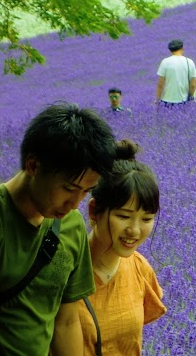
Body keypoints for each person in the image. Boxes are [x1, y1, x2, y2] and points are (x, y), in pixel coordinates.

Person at [0, 103, 118, 356]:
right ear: (33, 166)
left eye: (86, 192)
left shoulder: (72, 226)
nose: (75, 204)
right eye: (68, 188)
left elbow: (66, 321)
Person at [77, 141, 166, 356]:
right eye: (124, 216)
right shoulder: (65, 270)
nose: (134, 231)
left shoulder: (139, 268)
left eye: (146, 219)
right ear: (94, 211)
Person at [154, 40, 196, 107]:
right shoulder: (189, 62)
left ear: (170, 50)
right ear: (182, 48)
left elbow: (160, 85)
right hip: (184, 100)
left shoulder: (165, 62)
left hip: (167, 100)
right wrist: (191, 96)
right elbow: (192, 85)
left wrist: (157, 100)